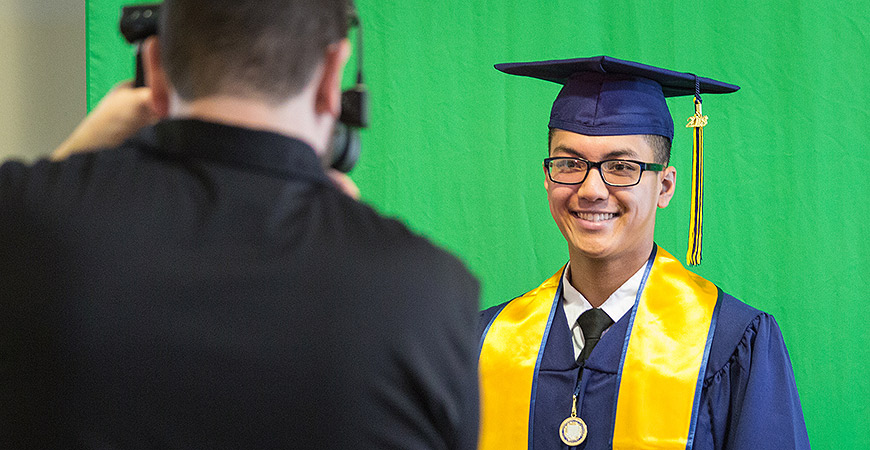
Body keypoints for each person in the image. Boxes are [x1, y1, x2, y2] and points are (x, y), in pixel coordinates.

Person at [0, 1, 480, 448]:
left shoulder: (25, 221)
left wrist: (68, 165)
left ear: (155, 66)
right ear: (334, 76)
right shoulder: (433, 291)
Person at [478, 56, 810, 449]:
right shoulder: (486, 343)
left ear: (665, 186)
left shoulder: (728, 344)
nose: (591, 190)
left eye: (621, 167)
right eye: (569, 163)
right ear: (547, 177)